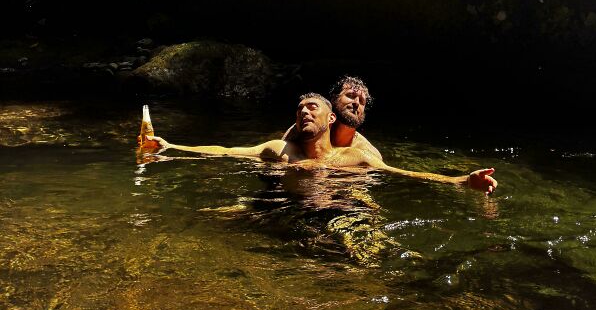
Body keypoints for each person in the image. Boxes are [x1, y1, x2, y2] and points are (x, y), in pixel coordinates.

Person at [152, 92, 498, 192]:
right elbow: (226, 152)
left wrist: (460, 181)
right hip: (288, 210)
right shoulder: (280, 150)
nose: (304, 112)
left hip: (332, 211)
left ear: (330, 119)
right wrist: (170, 146)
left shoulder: (355, 157)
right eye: (299, 108)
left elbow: (402, 173)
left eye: (312, 107)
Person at [283, 75, 382, 161]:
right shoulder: (306, 128)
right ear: (334, 99)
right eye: (350, 96)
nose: (356, 103)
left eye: (362, 101)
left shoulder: (368, 152)